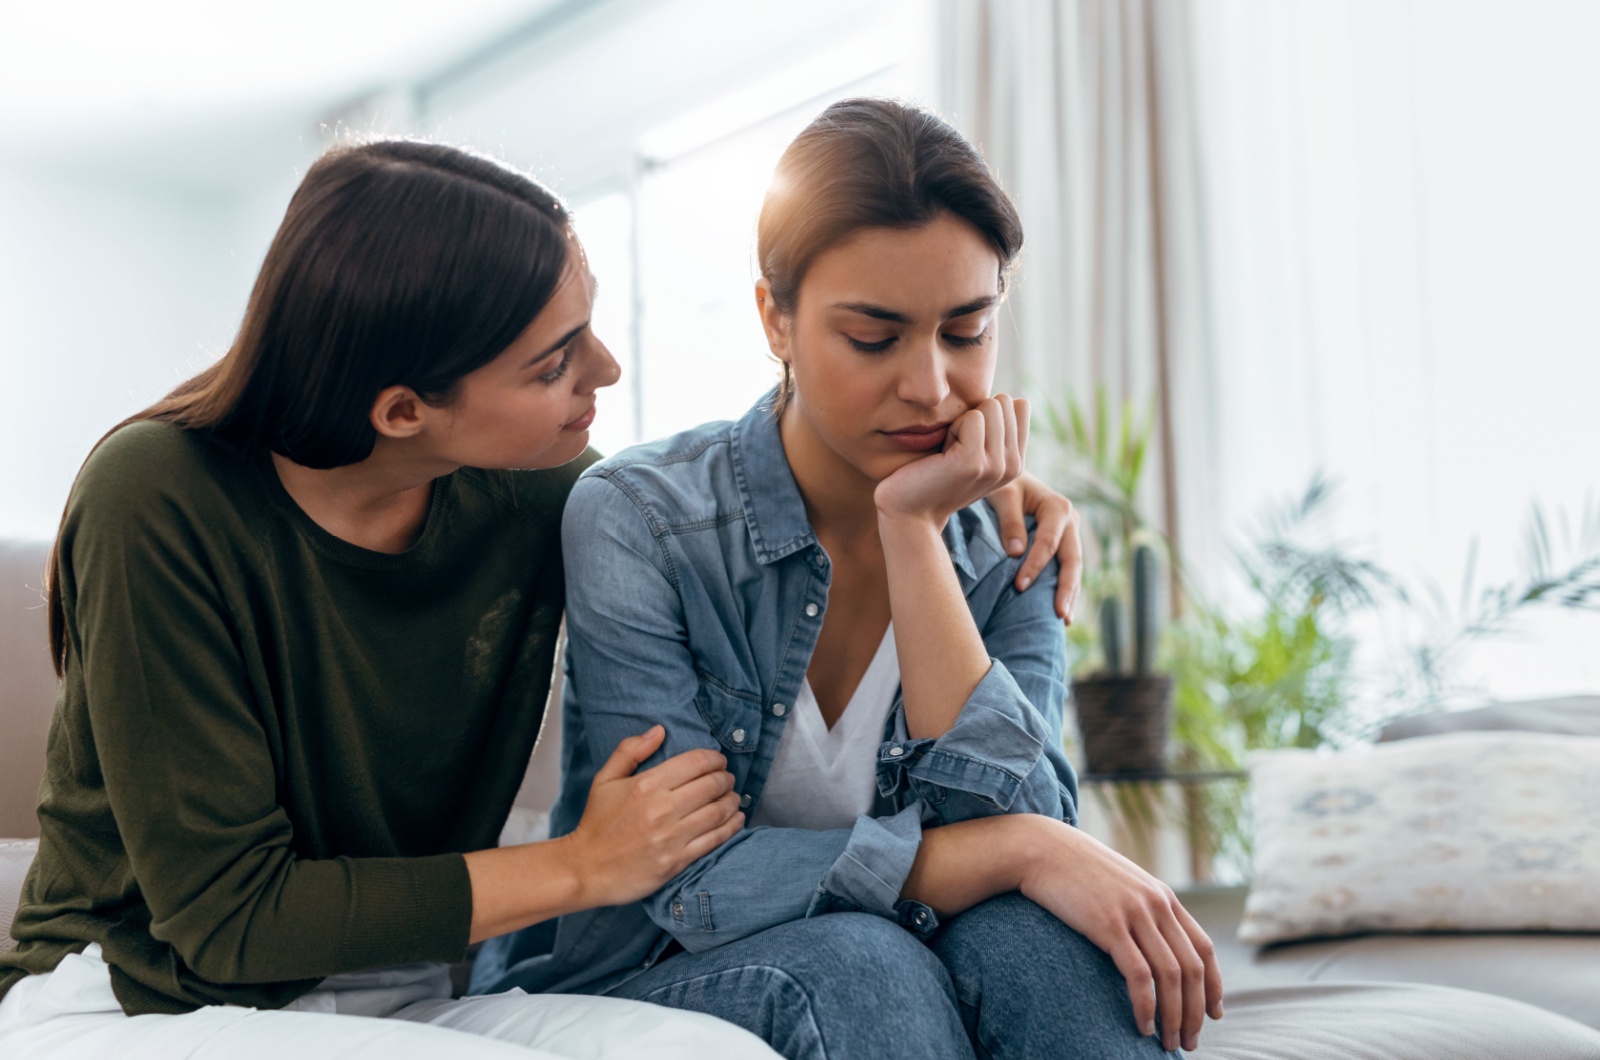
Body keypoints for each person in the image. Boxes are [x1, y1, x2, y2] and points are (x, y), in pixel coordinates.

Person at [0, 139, 1085, 1058]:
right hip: (143, 993)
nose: (605, 371)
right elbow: (229, 917)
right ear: (402, 410)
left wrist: (960, 481)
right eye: (555, 361)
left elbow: (731, 496)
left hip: (412, 990)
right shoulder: (157, 494)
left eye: (591, 329)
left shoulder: (538, 493)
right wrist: (578, 865)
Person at [473, 99, 1224, 1060]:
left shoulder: (1011, 538)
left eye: (968, 331)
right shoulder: (643, 519)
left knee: (1052, 951)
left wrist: (912, 530)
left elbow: (1020, 819)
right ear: (774, 320)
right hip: (652, 961)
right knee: (864, 963)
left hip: (899, 941)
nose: (932, 386)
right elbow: (687, 884)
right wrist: (1014, 851)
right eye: (874, 338)